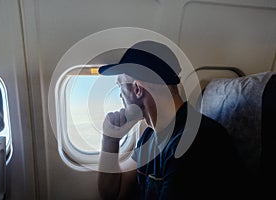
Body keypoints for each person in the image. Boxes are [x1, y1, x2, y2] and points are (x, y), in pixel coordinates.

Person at [97, 40, 244, 200]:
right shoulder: (149, 137)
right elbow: (113, 193)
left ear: (137, 89)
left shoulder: (196, 142)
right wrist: (110, 140)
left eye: (120, 87)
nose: (120, 96)